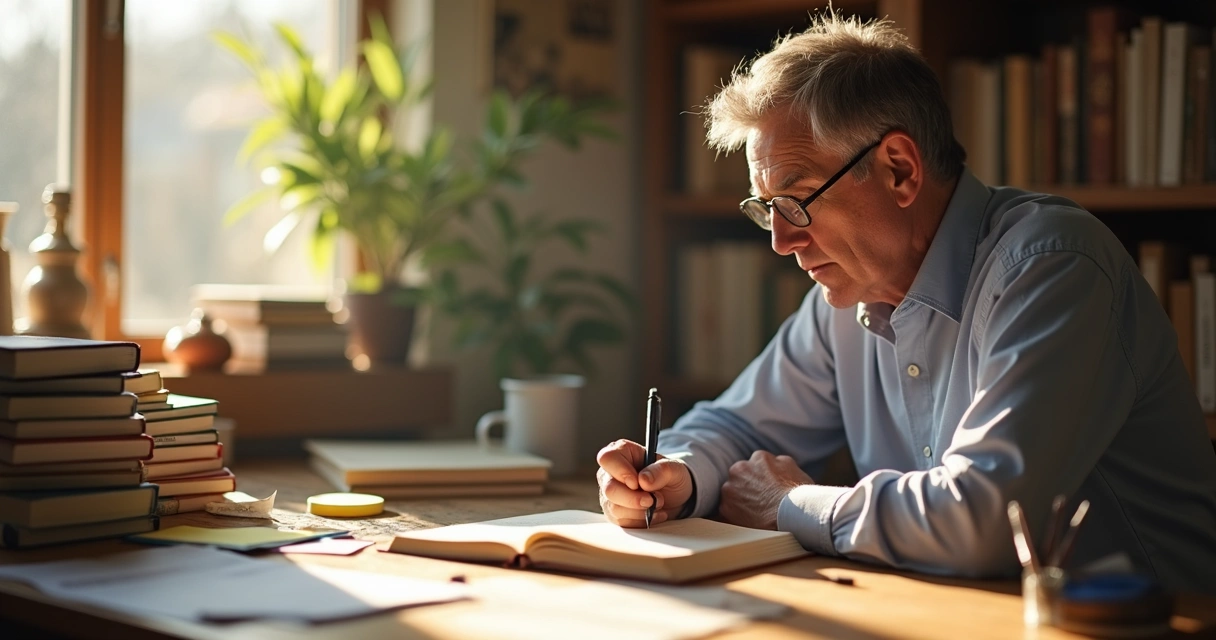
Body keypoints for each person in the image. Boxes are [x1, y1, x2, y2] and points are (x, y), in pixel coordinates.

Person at [597, 12, 1216, 593]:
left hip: (1148, 619)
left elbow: (985, 520)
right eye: (767, 210)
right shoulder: (845, 296)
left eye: (798, 200)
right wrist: (675, 476)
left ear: (898, 169)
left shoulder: (1052, 267)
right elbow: (735, 425)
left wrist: (788, 504)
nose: (782, 241)